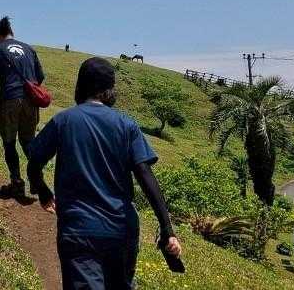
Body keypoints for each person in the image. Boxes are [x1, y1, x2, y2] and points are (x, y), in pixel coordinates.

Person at [26, 57, 182, 290]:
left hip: (79, 231)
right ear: (110, 90)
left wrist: (43, 191)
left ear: (80, 86)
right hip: (122, 232)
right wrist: (167, 229)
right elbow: (146, 176)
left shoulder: (63, 120)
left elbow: (34, 161)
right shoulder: (127, 125)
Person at [0, 16, 45, 197]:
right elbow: (40, 77)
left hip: (10, 100)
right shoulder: (29, 50)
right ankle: (37, 179)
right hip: (30, 102)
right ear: (11, 32)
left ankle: (16, 182)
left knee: (9, 142)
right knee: (28, 141)